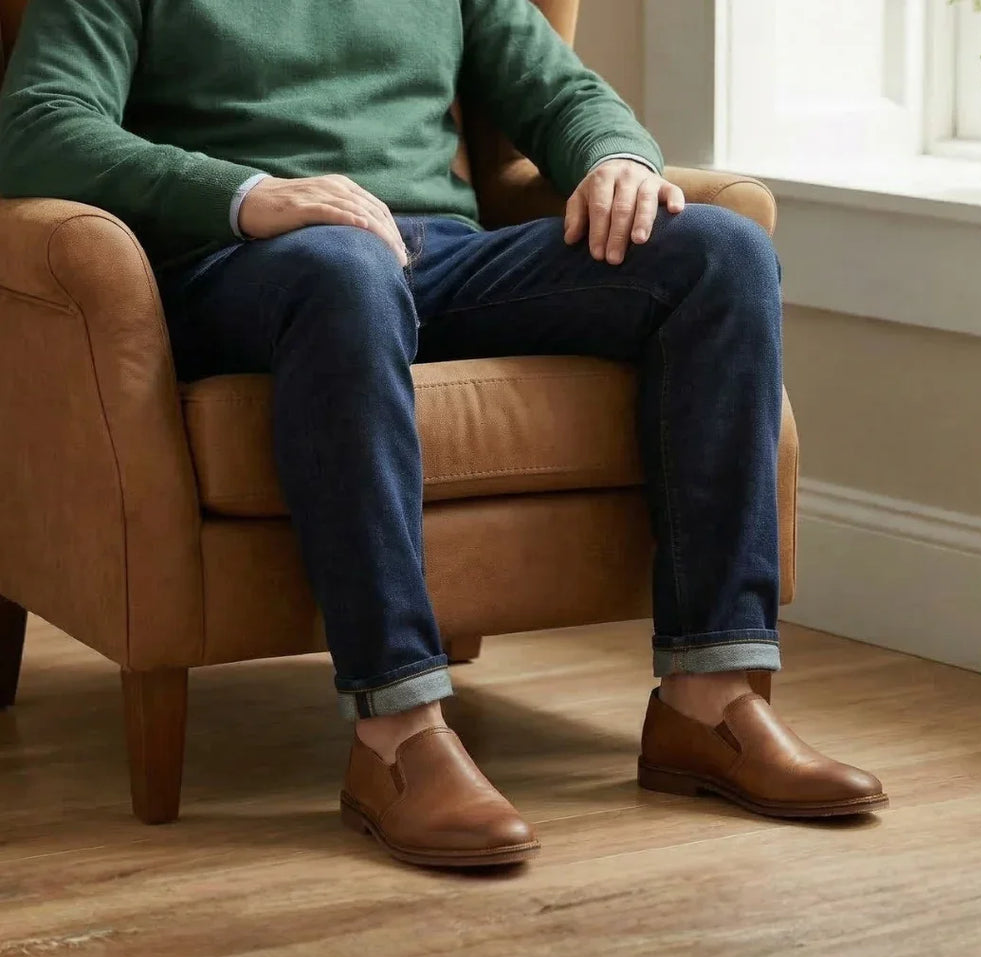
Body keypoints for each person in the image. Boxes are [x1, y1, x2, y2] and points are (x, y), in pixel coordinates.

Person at [0, 0, 887, 869]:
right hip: (249, 265)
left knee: (723, 253)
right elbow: (37, 124)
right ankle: (397, 732)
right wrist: (247, 194)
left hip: (439, 257)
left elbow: (561, 92)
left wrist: (616, 155)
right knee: (345, 269)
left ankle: (710, 701)